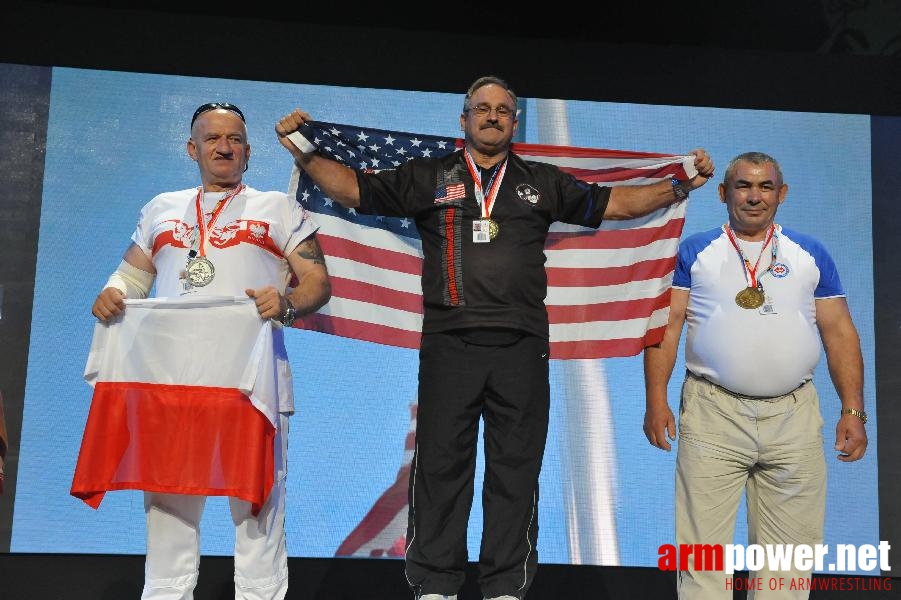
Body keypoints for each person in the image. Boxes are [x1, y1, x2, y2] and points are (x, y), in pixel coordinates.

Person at [275, 75, 714, 600]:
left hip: (522, 349)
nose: (491, 116)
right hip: (449, 346)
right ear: (463, 120)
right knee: (441, 467)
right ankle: (436, 586)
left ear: (514, 120)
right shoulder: (429, 176)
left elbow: (614, 205)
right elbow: (355, 189)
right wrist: (304, 152)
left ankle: (504, 587)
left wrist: (678, 186)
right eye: (480, 109)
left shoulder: (541, 181)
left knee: (515, 470)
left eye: (502, 110)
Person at [90, 102, 331, 599]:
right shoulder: (161, 208)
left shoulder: (278, 209)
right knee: (168, 513)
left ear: (247, 150)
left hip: (252, 385)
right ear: (192, 148)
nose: (225, 147)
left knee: (258, 513)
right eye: (213, 138)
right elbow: (133, 275)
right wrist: (115, 291)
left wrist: (286, 303)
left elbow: (317, 283)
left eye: (235, 139)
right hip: (171, 386)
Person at [643, 151, 868, 599]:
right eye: (743, 186)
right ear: (724, 194)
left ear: (781, 195)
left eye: (765, 187)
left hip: (794, 417)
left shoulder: (810, 254)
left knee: (788, 565)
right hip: (713, 414)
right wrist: (655, 400)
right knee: (703, 559)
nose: (754, 196)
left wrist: (854, 412)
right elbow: (666, 328)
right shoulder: (694, 251)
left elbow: (840, 332)